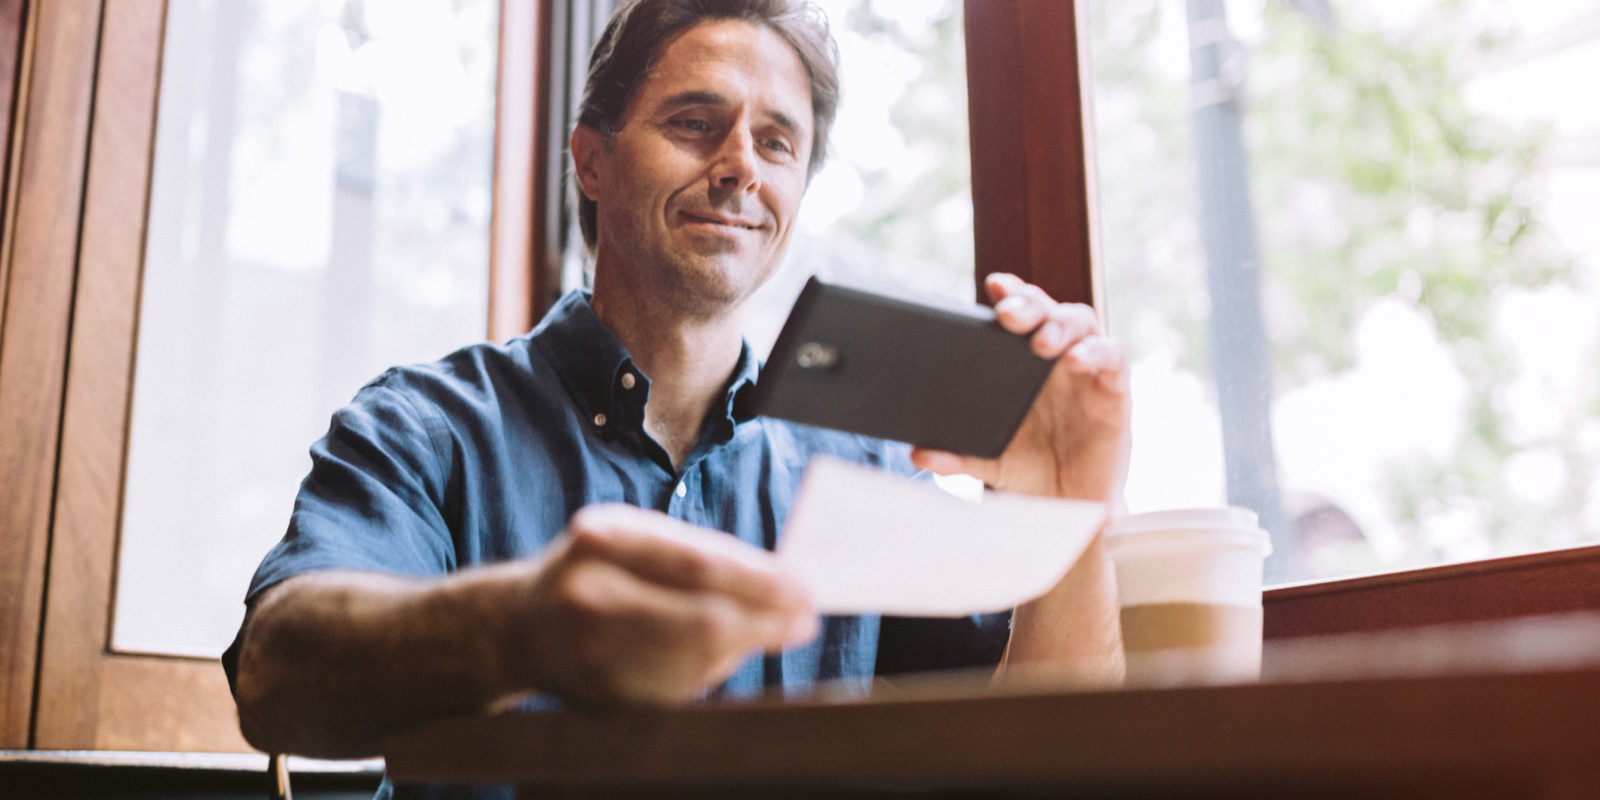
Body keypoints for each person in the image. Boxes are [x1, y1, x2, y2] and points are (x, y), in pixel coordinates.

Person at [223, 0, 1129, 794]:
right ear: (592, 162)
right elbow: (275, 675)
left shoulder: (863, 467)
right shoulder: (426, 428)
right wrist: (523, 627)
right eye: (697, 123)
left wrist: (1071, 509)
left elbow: (1049, 754)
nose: (742, 166)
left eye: (777, 142)